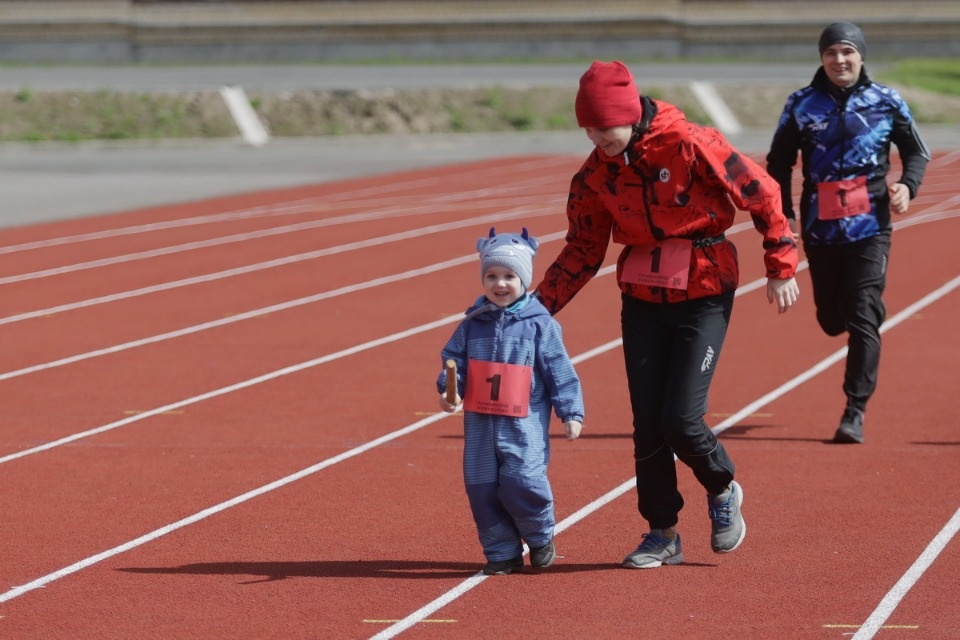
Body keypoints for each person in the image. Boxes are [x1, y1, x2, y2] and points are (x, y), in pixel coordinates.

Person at [534, 60, 800, 569]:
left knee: (680, 418)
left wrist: (781, 264)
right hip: (641, 299)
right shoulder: (594, 175)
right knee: (647, 426)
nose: (596, 137)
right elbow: (582, 250)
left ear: (630, 115)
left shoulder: (688, 141)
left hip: (703, 290)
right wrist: (535, 309)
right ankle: (662, 533)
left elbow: (761, 191)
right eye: (587, 128)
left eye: (604, 127)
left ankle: (722, 488)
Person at [766, 21, 930, 444]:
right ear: (822, 59)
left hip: (870, 226)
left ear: (861, 56)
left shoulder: (886, 101)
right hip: (821, 229)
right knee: (830, 320)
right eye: (831, 53)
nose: (840, 60)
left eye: (847, 52)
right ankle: (862, 311)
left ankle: (854, 410)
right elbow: (778, 163)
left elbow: (916, 152)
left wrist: (907, 187)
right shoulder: (802, 104)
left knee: (862, 316)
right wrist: (783, 218)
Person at [437, 227, 584, 576]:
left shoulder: (540, 325)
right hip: (479, 428)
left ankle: (539, 535)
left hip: (523, 427)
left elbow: (559, 370)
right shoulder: (472, 325)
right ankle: (502, 551)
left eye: (508, 276)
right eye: (491, 276)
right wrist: (448, 390)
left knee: (523, 481)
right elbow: (452, 361)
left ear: (524, 279)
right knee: (482, 488)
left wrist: (571, 411)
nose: (499, 283)